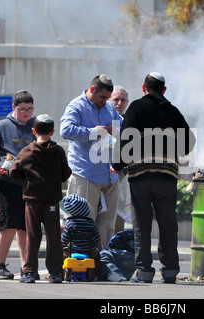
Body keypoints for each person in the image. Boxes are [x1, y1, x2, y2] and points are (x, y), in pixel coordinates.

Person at [111, 72, 196, 283]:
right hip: (167, 176)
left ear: (143, 88)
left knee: (142, 224)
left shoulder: (137, 107)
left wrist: (117, 165)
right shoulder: (172, 111)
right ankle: (170, 271)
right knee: (168, 223)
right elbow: (188, 144)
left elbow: (125, 140)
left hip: (140, 176)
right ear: (164, 90)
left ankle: (145, 271)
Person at [60, 74, 123, 249]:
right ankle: (82, 265)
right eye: (102, 97)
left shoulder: (109, 108)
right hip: (85, 174)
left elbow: (125, 127)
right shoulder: (76, 106)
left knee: (107, 224)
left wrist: (115, 130)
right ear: (92, 89)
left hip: (109, 175)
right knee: (82, 223)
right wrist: (93, 132)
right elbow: (65, 130)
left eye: (107, 98)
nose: (105, 101)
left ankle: (102, 263)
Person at [0, 90, 36, 280]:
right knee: (8, 225)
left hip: (29, 184)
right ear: (13, 108)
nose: (26, 113)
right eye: (22, 110)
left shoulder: (36, 125)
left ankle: (26, 266)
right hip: (7, 182)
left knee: (26, 227)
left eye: (29, 109)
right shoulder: (2, 126)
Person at [9, 114, 72, 283]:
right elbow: (66, 173)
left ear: (33, 131)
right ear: (52, 132)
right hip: (51, 200)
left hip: (32, 200)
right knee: (53, 237)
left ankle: (29, 271)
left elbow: (13, 171)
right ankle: (56, 272)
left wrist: (27, 178)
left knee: (32, 235)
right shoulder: (58, 151)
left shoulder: (26, 151)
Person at [61, 194, 101, 278]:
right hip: (88, 251)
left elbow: (64, 240)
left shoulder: (70, 224)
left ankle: (60, 273)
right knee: (98, 256)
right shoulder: (91, 224)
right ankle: (96, 273)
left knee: (61, 253)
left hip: (73, 251)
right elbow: (97, 238)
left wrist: (63, 247)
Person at [109, 86, 131, 234]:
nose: (119, 103)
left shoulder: (129, 121)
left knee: (119, 213)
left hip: (121, 175)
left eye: (123, 100)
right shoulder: (103, 118)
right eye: (116, 99)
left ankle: (115, 250)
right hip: (100, 173)